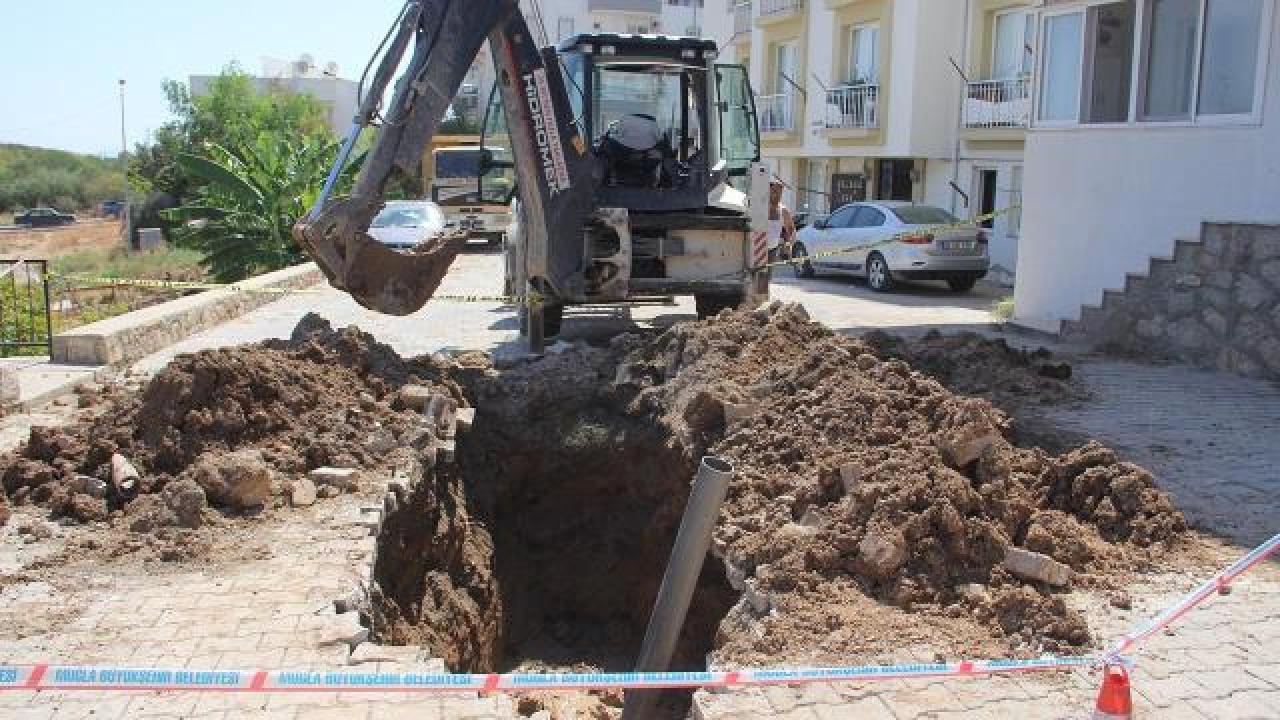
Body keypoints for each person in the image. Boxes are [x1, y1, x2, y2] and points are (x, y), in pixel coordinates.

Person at [766, 177, 797, 277]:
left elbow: (791, 230)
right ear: (768, 191)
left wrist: (788, 244)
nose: (777, 195)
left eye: (780, 193)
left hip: (772, 250)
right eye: (774, 191)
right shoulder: (760, 208)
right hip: (755, 248)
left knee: (766, 278)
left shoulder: (783, 211)